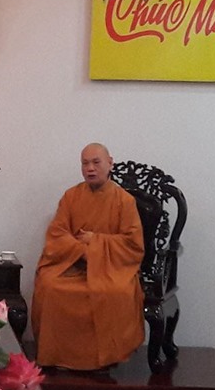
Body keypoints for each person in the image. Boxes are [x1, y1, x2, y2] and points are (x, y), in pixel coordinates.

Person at [31, 143, 145, 370]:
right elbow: (57, 233)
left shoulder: (124, 201)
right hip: (72, 265)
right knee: (50, 285)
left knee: (113, 292)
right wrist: (81, 250)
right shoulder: (71, 197)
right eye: (85, 163)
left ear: (110, 163)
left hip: (111, 269)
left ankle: (106, 357)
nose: (90, 168)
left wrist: (95, 242)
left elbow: (132, 244)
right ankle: (56, 356)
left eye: (96, 162)